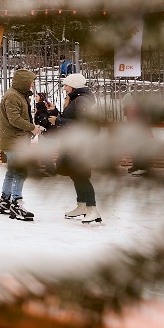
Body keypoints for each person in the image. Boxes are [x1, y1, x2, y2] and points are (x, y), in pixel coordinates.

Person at [52, 73, 102, 224]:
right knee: (75, 174)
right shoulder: (76, 99)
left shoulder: (81, 101)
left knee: (81, 176)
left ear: (74, 86)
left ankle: (92, 209)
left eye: (66, 85)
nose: (65, 88)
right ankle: (82, 205)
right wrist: (55, 113)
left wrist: (59, 121)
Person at [0, 68, 44, 221]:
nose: (32, 85)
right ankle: (16, 203)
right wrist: (33, 128)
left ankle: (5, 201)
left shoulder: (19, 95)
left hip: (15, 139)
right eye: (31, 82)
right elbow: (14, 120)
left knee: (12, 171)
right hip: (14, 141)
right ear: (24, 82)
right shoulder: (12, 96)